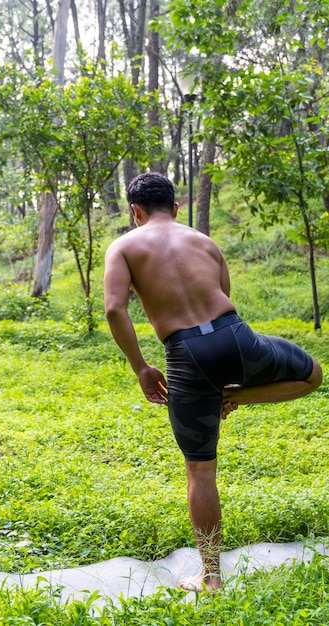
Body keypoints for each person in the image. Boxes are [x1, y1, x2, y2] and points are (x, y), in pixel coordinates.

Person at [103, 172, 323, 593]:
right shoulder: (204, 241)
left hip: (186, 357)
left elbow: (115, 309)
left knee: (201, 472)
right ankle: (232, 395)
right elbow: (222, 293)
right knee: (312, 375)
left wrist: (141, 368)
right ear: (177, 207)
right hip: (236, 338)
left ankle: (212, 577)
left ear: (135, 211)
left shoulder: (124, 246)